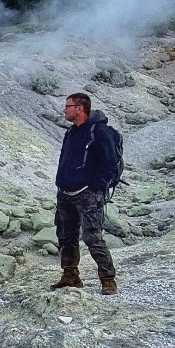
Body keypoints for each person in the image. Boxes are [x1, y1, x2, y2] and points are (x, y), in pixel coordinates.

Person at [51, 93, 118, 295]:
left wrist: (95, 188)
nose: (64, 110)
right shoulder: (71, 132)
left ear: (79, 108)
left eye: (68, 106)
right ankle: (70, 275)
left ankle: (108, 279)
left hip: (86, 194)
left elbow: (110, 164)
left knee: (92, 237)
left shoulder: (99, 132)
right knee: (65, 235)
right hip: (65, 193)